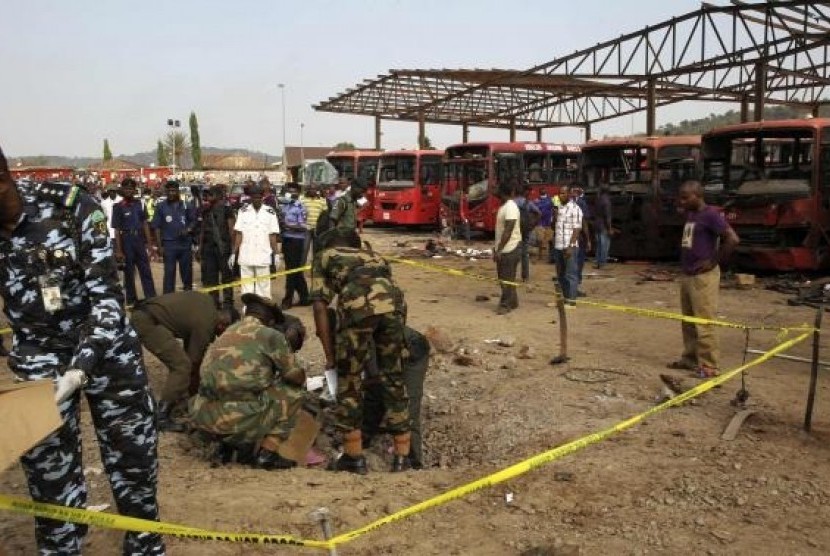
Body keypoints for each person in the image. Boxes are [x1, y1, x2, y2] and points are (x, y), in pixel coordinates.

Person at [0, 146, 165, 555]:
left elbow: (107, 300)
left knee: (133, 462)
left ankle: (144, 545)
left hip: (107, 350)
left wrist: (79, 369)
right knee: (48, 477)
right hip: (38, 355)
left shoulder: (70, 206)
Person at [310, 228, 410, 474]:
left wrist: (331, 356)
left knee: (350, 381)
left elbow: (320, 307)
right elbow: (385, 293)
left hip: (356, 305)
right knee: (393, 376)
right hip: (395, 304)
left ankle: (354, 457)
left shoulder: (325, 256)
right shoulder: (375, 256)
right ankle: (402, 456)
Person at [189, 293, 310, 470]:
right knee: (293, 390)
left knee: (235, 388)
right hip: (240, 418)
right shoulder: (271, 335)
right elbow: (293, 376)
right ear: (270, 321)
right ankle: (268, 453)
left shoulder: (226, 332)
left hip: (204, 415)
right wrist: (299, 372)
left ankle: (226, 447)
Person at [668, 180, 739, 378]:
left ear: (697, 196)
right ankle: (690, 359)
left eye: (685, 197)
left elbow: (732, 239)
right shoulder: (692, 214)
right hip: (688, 274)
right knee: (688, 320)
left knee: (704, 322)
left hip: (703, 277)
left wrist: (713, 262)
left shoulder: (710, 215)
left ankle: (709, 366)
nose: (681, 201)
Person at [130, 291, 231, 432]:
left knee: (183, 362)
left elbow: (189, 343)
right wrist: (197, 397)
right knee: (182, 366)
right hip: (147, 322)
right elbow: (194, 362)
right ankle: (162, 416)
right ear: (222, 325)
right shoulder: (207, 324)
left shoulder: (207, 303)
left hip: (147, 313)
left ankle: (180, 400)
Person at [363, 324, 430, 470]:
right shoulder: (351, 338)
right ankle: (360, 446)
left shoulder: (364, 337)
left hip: (413, 352)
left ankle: (413, 463)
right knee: (376, 396)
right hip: (392, 351)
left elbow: (376, 378)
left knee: (407, 406)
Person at [230, 182, 281, 300]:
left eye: (259, 197)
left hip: (263, 255)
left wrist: (276, 254)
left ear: (262, 197)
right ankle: (248, 310)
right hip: (246, 255)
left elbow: (272, 235)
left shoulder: (270, 212)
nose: (257, 199)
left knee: (263, 288)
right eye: (254, 197)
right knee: (246, 287)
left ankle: (263, 312)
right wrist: (234, 253)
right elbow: (239, 233)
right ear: (250, 198)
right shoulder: (243, 211)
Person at [112, 177, 158, 305]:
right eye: (126, 188)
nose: (129, 191)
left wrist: (149, 245)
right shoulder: (117, 207)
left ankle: (151, 297)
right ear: (122, 190)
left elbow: (145, 224)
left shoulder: (139, 204)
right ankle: (132, 300)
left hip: (139, 240)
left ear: (134, 190)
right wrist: (119, 250)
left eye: (131, 189)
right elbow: (117, 230)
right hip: (126, 241)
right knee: (129, 273)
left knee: (145, 270)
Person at [152, 180, 196, 294]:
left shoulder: (187, 205)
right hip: (169, 244)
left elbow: (193, 221)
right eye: (169, 191)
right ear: (166, 192)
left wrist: (188, 229)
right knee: (169, 273)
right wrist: (159, 246)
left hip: (185, 244)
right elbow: (156, 227)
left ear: (178, 191)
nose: (171, 193)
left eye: (173, 191)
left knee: (186, 272)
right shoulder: (161, 207)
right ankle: (168, 297)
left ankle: (188, 294)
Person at [197, 185, 236, 310]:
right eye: (207, 194)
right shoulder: (206, 210)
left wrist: (233, 250)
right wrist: (200, 247)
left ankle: (228, 303)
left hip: (223, 248)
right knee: (210, 277)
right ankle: (214, 303)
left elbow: (232, 230)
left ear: (219, 195)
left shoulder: (227, 209)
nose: (208, 196)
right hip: (209, 249)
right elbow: (203, 229)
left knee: (226, 277)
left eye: (211, 194)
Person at [280, 183, 311, 309]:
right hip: (286, 239)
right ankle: (305, 297)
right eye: (289, 191)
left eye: (293, 191)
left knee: (291, 271)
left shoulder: (301, 208)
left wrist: (288, 225)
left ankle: (288, 299)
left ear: (298, 193)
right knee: (294, 270)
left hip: (296, 241)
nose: (291, 193)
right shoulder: (284, 206)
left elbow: (303, 227)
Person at [493, 182, 522, 315]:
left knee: (505, 278)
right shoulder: (504, 206)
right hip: (504, 247)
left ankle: (505, 304)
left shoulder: (510, 207)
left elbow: (508, 230)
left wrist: (499, 249)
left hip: (510, 248)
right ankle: (513, 301)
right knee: (506, 277)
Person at [552, 186, 583, 305]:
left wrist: (570, 246)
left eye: (564, 193)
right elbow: (554, 226)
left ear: (570, 194)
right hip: (559, 245)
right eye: (560, 193)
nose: (561, 195)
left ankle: (571, 301)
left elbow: (577, 229)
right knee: (560, 275)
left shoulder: (575, 209)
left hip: (569, 247)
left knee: (570, 275)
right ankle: (564, 298)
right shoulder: (559, 208)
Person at [513, 182, 541, 282]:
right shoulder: (527, 203)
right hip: (525, 231)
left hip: (514, 231)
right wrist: (532, 225)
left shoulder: (512, 202)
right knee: (525, 254)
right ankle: (525, 276)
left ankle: (512, 275)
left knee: (514, 252)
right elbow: (538, 213)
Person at [301, 185, 328, 264]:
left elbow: (325, 215)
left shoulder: (322, 200)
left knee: (316, 249)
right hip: (306, 228)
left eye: (314, 189)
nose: (312, 190)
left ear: (317, 190)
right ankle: (301, 268)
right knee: (304, 249)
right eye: (310, 189)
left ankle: (315, 267)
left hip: (318, 229)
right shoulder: (302, 199)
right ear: (307, 190)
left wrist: (320, 227)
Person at [573, 187, 592, 296]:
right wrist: (588, 240)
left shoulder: (564, 204)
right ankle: (574, 289)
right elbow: (584, 222)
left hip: (568, 239)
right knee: (578, 264)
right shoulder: (582, 204)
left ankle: (570, 289)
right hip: (578, 239)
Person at [532, 188, 557, 263]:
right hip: (539, 223)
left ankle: (550, 257)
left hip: (548, 223)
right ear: (539, 192)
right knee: (540, 240)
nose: (543, 191)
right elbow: (534, 212)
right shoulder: (536, 201)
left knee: (550, 240)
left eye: (544, 190)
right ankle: (540, 256)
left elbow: (555, 210)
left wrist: (554, 219)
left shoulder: (551, 200)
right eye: (541, 190)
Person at [593, 184, 613, 269]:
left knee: (599, 245)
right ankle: (602, 264)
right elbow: (607, 216)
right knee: (605, 245)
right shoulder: (607, 201)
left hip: (597, 224)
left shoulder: (598, 200)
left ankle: (597, 262)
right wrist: (609, 228)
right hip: (603, 225)